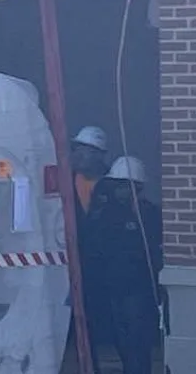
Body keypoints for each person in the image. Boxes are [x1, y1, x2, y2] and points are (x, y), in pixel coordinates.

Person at [82, 156, 165, 374]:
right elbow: (94, 242)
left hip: (138, 289)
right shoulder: (108, 213)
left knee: (138, 340)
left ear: (136, 187)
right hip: (113, 287)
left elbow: (153, 248)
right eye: (116, 186)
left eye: (123, 186)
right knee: (122, 339)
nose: (118, 191)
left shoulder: (148, 213)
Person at [62, 125, 113, 360]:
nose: (78, 155)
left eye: (85, 151)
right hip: (73, 264)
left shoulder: (115, 186)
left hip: (106, 269)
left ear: (99, 155)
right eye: (76, 149)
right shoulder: (65, 183)